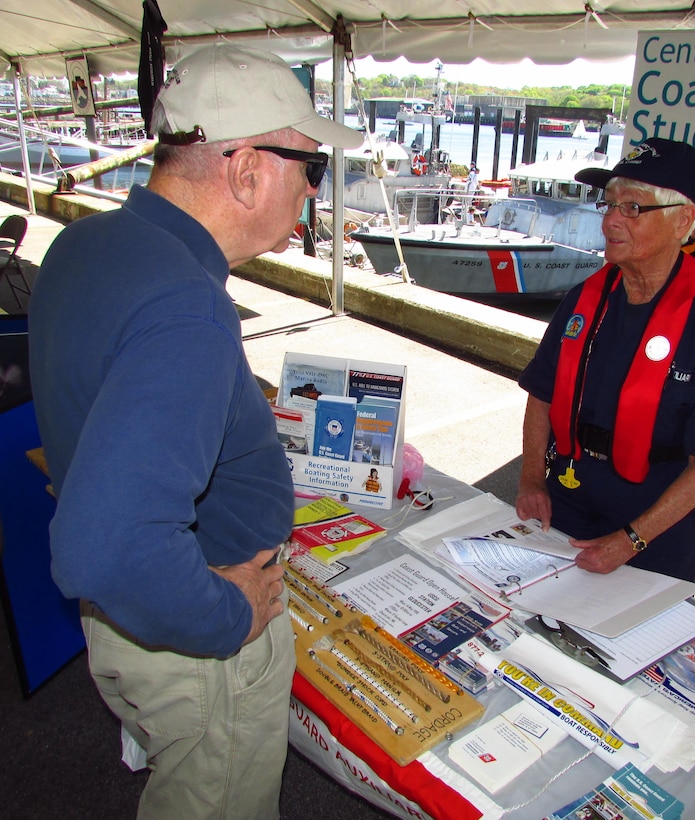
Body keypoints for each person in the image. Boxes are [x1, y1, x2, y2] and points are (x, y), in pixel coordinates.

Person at [28, 43, 362, 818]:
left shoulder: (90, 242)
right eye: (310, 169)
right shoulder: (186, 305)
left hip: (133, 622)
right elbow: (104, 547)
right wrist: (230, 617)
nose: (314, 193)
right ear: (247, 170)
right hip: (197, 632)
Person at [516, 138, 695, 583]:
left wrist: (631, 540)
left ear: (683, 221)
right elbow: (541, 395)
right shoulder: (582, 302)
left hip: (654, 528)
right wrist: (530, 478)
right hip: (568, 498)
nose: (610, 221)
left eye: (632, 208)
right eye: (609, 205)